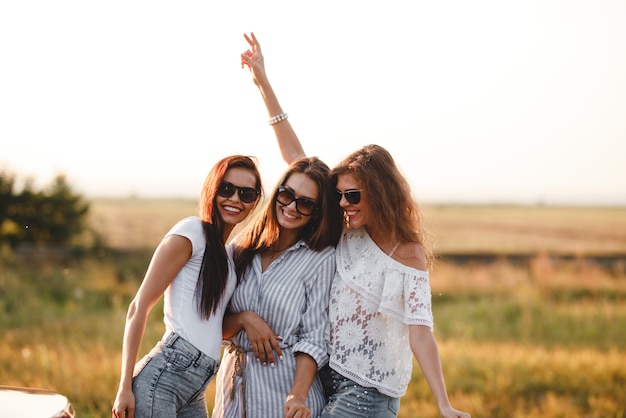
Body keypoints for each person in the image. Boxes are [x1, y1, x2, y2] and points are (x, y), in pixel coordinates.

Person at [239, 32, 471, 418]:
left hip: (368, 394)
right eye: (341, 195)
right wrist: (264, 83)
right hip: (325, 379)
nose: (343, 204)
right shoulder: (348, 232)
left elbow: (421, 332)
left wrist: (443, 404)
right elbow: (297, 157)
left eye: (353, 196)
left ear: (380, 195)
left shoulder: (408, 254)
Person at [112, 155, 263, 418]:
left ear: (254, 202)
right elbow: (138, 307)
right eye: (226, 189)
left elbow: (212, 325)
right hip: (165, 377)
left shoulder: (227, 257)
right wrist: (124, 385)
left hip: (196, 385)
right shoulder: (191, 232)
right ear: (212, 190)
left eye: (246, 193)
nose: (235, 199)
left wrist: (244, 319)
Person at [212, 155, 343, 417]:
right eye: (287, 194)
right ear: (277, 194)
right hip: (232, 393)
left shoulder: (321, 259)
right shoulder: (240, 249)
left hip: (284, 397)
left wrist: (297, 395)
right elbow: (213, 324)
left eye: (306, 203)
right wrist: (244, 319)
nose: (292, 207)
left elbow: (315, 338)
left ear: (318, 212)